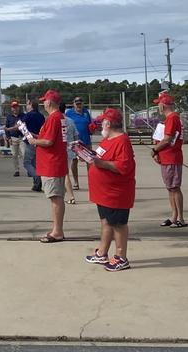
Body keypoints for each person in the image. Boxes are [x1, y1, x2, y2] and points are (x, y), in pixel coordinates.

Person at [84, 107, 136, 272]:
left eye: (102, 122)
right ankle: (102, 252)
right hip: (104, 193)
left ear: (109, 123)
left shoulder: (122, 141)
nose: (100, 126)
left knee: (118, 224)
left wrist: (100, 164)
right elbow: (100, 156)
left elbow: (124, 166)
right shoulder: (107, 140)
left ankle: (121, 257)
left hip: (116, 193)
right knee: (106, 221)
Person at [27, 89, 67, 243]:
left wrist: (34, 141)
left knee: (56, 198)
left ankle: (57, 231)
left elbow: (49, 142)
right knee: (55, 197)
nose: (43, 103)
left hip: (52, 163)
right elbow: (50, 138)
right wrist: (37, 136)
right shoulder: (58, 118)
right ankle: (57, 229)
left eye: (45, 100)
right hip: (54, 162)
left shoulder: (54, 118)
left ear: (49, 102)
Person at [151, 91, 186, 228]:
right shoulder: (170, 119)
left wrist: (155, 150)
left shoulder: (172, 118)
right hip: (167, 158)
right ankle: (174, 216)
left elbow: (167, 139)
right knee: (170, 188)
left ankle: (180, 218)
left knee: (175, 187)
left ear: (163, 105)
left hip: (172, 157)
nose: (158, 106)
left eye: (159, 103)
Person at [65, 96, 93, 190]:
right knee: (74, 161)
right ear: (73, 104)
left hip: (86, 140)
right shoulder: (69, 113)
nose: (79, 105)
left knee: (89, 160)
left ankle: (91, 181)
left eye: (80, 104)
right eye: (77, 104)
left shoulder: (86, 112)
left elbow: (89, 124)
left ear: (82, 104)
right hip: (74, 141)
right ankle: (76, 182)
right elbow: (66, 124)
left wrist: (92, 128)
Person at [22, 98, 46, 191]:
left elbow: (21, 125)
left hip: (30, 141)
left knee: (26, 162)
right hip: (39, 141)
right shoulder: (41, 116)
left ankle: (37, 177)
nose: (26, 106)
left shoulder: (28, 115)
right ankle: (36, 185)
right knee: (34, 163)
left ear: (31, 105)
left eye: (27, 104)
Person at [59, 103, 79, 205]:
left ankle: (71, 196)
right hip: (70, 150)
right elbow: (76, 136)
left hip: (61, 151)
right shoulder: (70, 121)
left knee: (65, 174)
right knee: (63, 174)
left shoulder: (55, 120)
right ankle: (64, 193)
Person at [4, 101, 25, 176]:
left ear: (19, 107)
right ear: (11, 108)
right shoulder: (9, 117)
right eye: (13, 107)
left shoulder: (23, 116)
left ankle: (28, 169)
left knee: (24, 154)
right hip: (13, 138)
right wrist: (8, 137)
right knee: (14, 155)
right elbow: (6, 128)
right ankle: (16, 170)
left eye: (16, 107)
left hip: (22, 138)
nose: (15, 108)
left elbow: (24, 125)